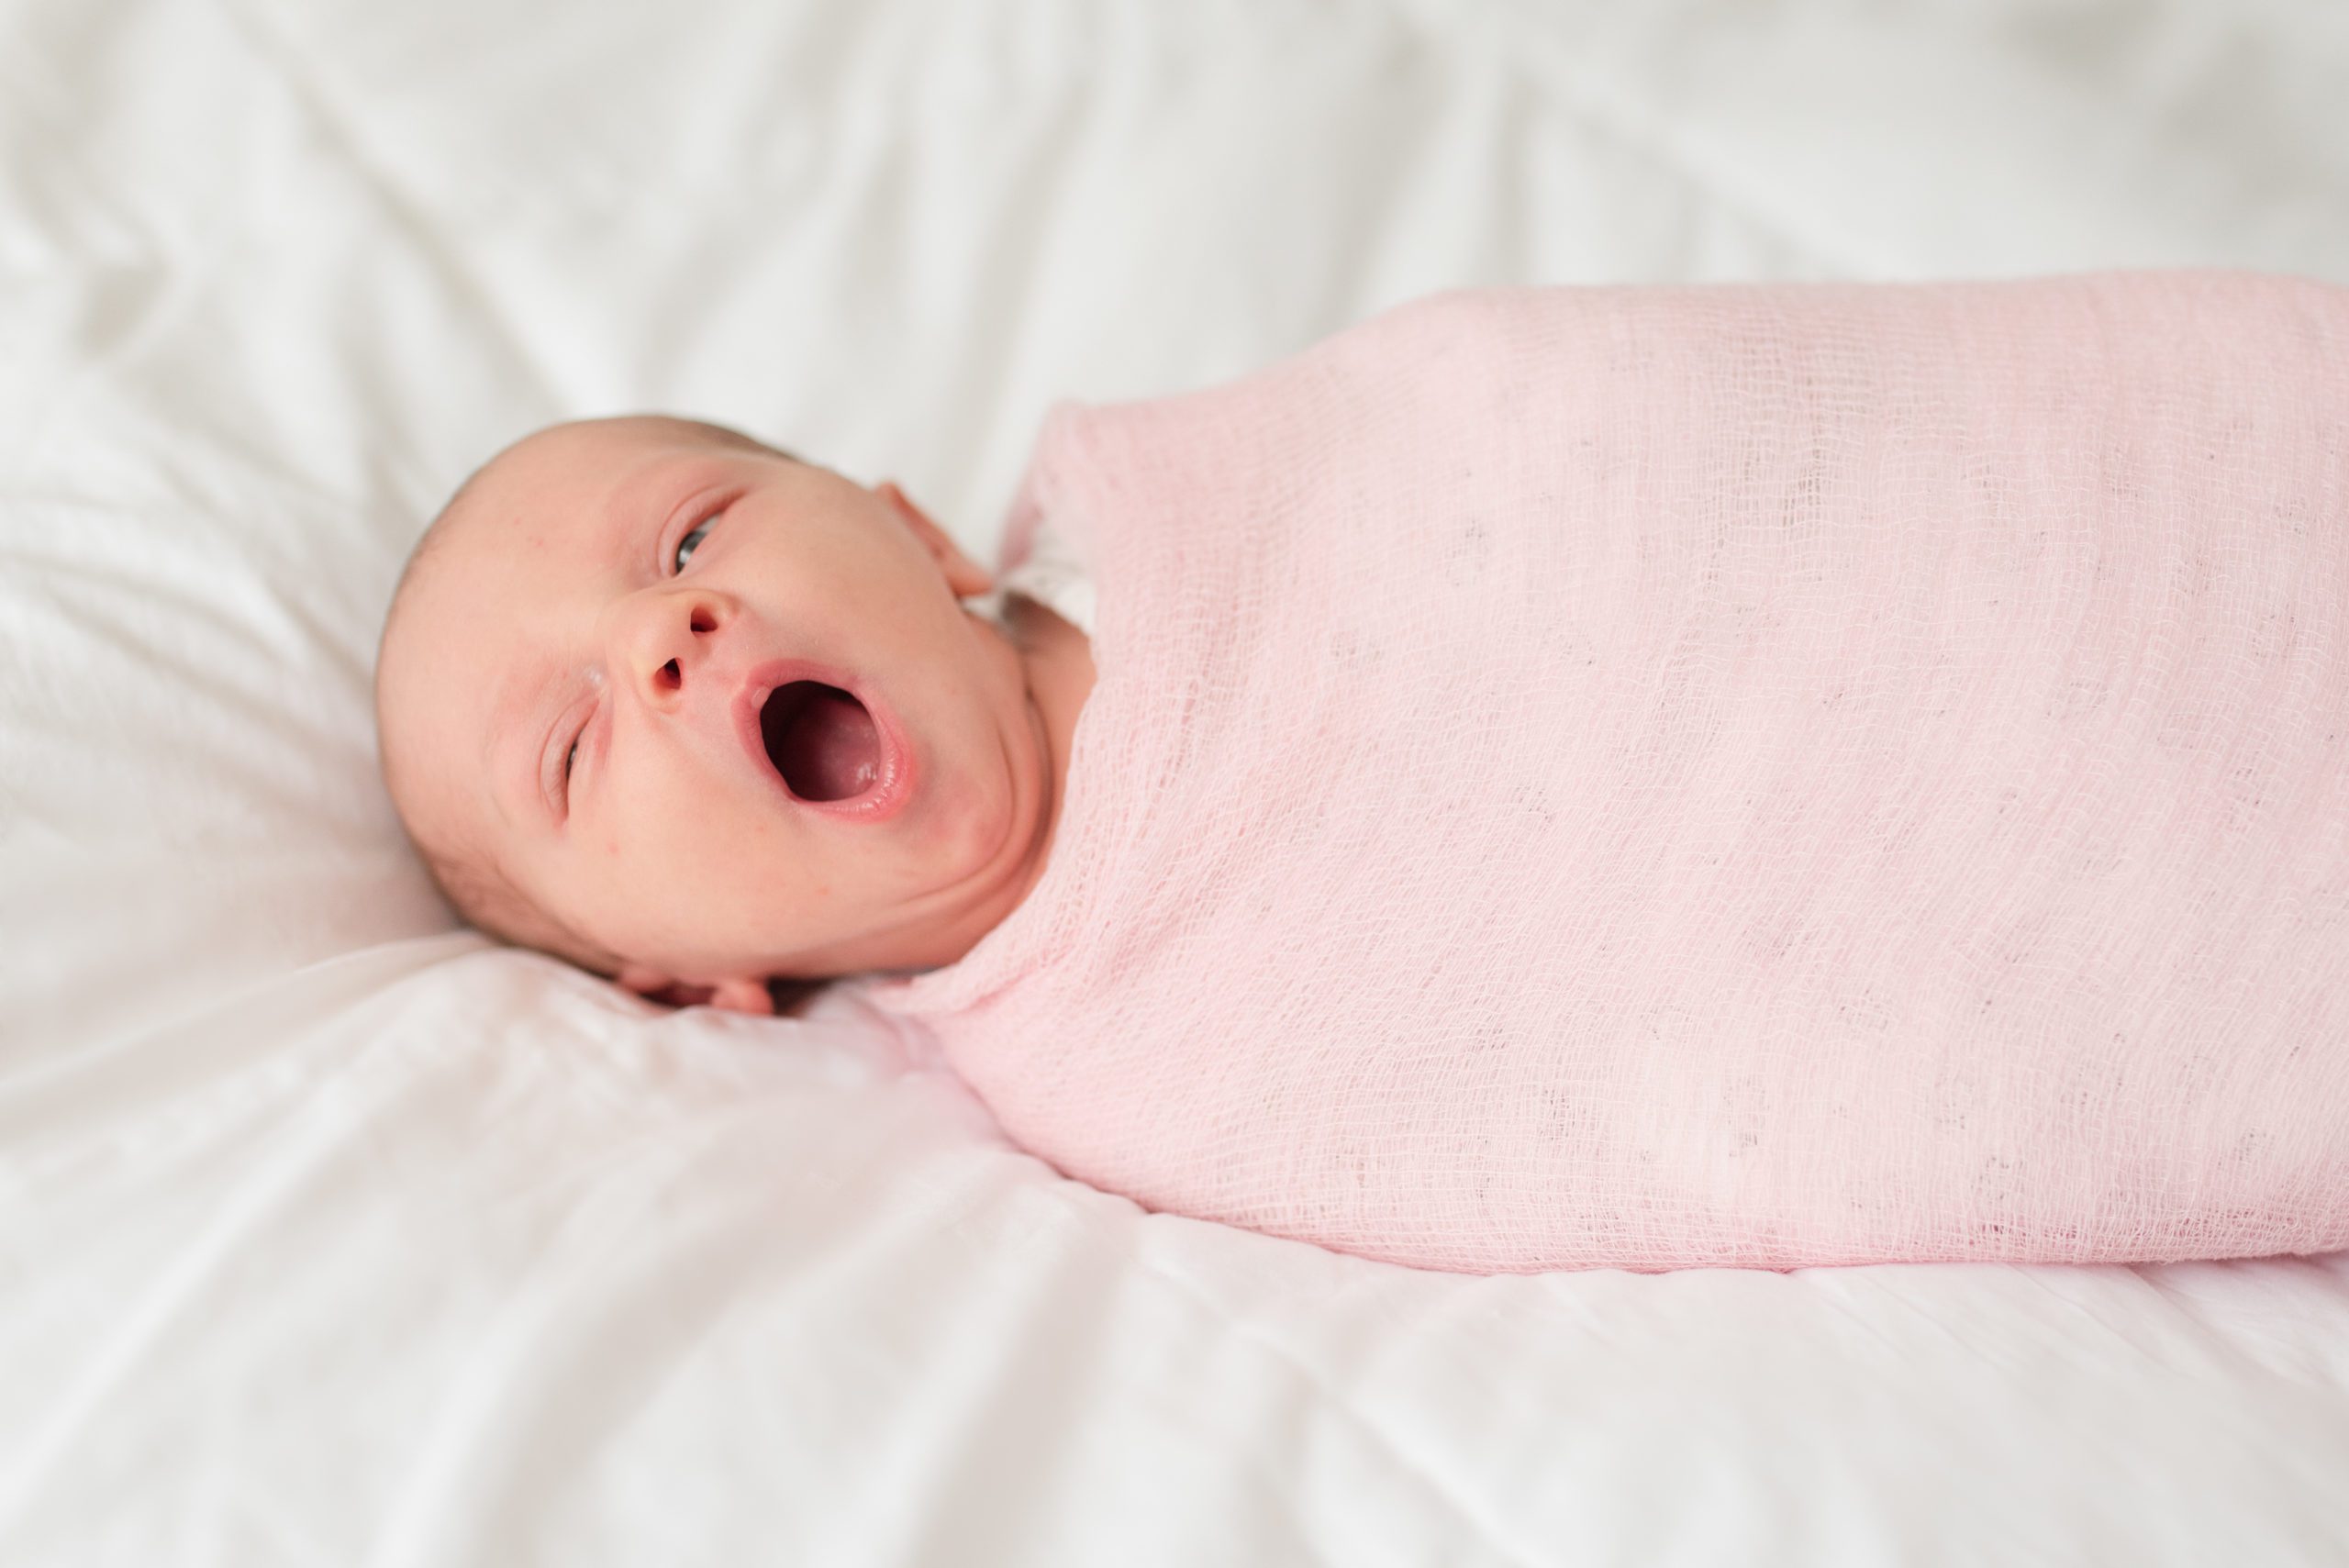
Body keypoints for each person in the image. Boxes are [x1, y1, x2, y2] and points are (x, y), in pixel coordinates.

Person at [373, 415, 1097, 1015]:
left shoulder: (1111, 495)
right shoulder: (1102, 1094)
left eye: (692, 540)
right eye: (568, 750)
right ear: (687, 978)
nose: (652, 632)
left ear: (918, 533)